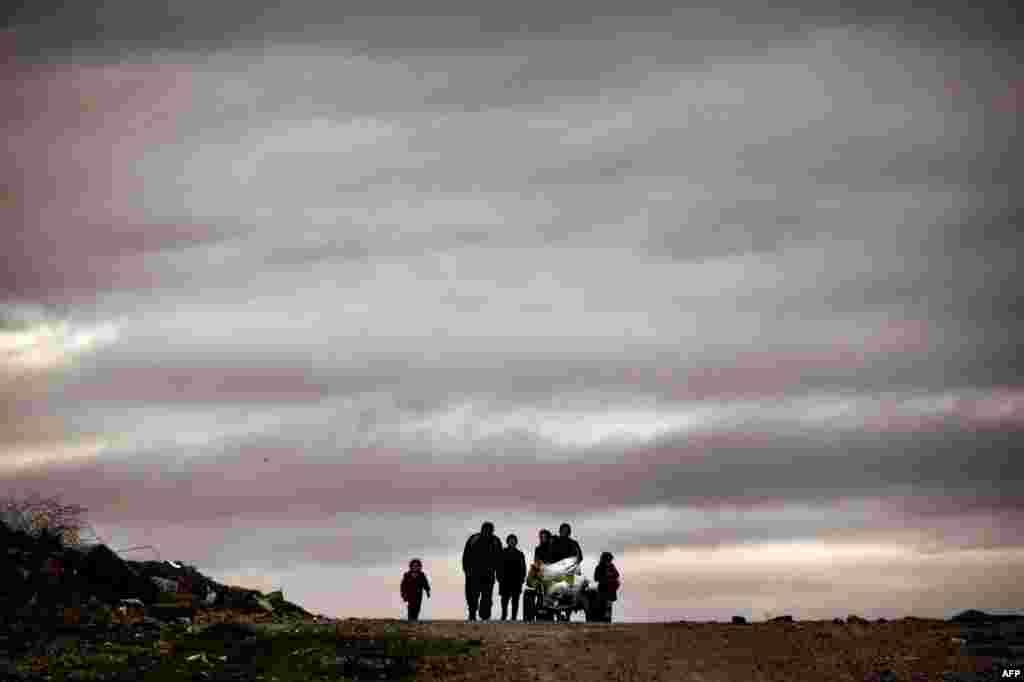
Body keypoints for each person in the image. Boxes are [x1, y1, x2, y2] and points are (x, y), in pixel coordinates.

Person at [461, 521, 503, 621]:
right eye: (485, 529)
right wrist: (466, 570)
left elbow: (500, 558)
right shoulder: (473, 539)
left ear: (492, 531)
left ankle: (484, 615)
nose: (487, 532)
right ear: (482, 529)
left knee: (486, 597)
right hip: (473, 573)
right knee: (472, 596)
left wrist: (499, 573)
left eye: (490, 530)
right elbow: (466, 555)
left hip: (489, 574)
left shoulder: (496, 541)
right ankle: (472, 614)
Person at [523, 529, 555, 622]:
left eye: (545, 536)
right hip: (541, 572)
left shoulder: (553, 547)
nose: (543, 538)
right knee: (540, 590)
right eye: (541, 537)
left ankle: (548, 612)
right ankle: (540, 610)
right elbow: (536, 560)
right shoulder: (538, 548)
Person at [498, 534, 527, 621]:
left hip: (516, 580)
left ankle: (514, 617)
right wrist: (499, 577)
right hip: (504, 580)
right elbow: (498, 566)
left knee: (515, 600)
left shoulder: (520, 554)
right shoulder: (502, 552)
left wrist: (522, 579)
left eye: (514, 541)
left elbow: (523, 567)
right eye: (510, 540)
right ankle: (504, 616)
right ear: (507, 542)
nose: (512, 542)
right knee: (504, 600)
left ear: (516, 542)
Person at [592, 551, 620, 622]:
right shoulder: (599, 567)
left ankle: (607, 620)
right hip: (603, 589)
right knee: (602, 607)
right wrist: (605, 577)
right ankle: (604, 620)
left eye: (610, 559)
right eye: (608, 559)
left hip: (610, 589)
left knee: (608, 607)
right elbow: (596, 578)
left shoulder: (611, 566)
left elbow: (617, 574)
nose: (609, 561)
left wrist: (609, 575)